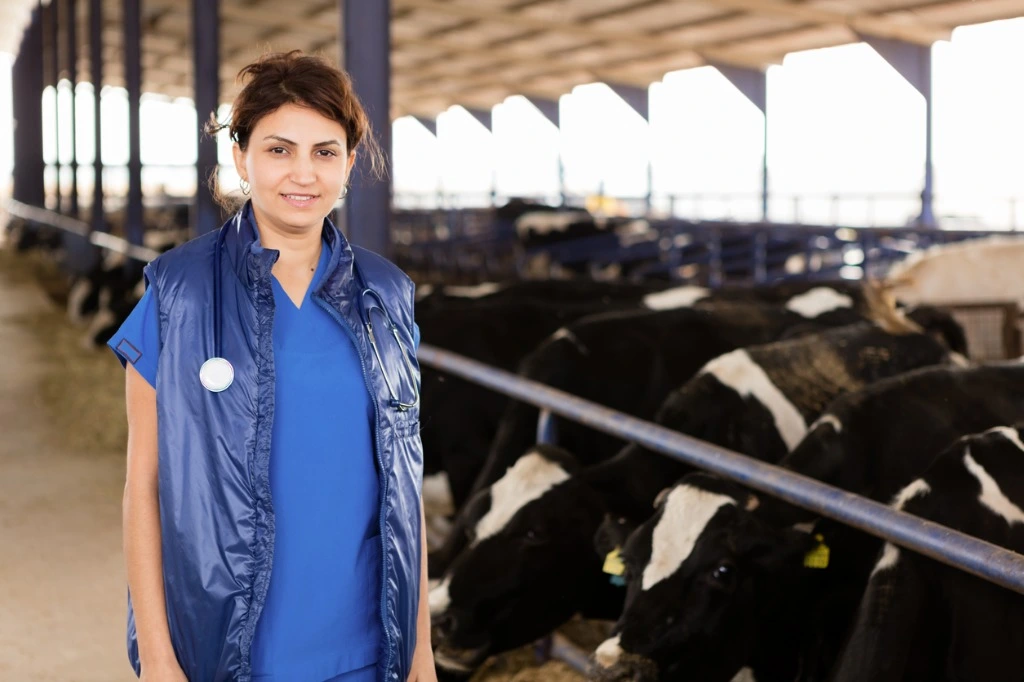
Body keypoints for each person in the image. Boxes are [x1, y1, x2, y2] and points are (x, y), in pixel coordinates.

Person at [108, 51, 435, 682]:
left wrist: (419, 651)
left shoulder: (387, 295)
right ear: (241, 157)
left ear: (348, 163)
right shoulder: (179, 293)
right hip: (226, 650)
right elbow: (143, 489)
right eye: (280, 150)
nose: (303, 174)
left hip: (366, 649)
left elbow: (405, 487)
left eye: (326, 151)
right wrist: (156, 657)